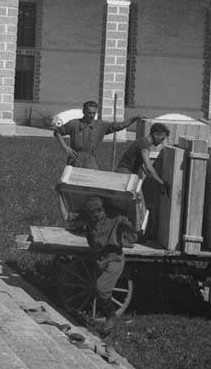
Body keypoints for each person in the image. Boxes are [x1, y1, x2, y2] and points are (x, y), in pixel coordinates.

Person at [79, 195, 138, 344]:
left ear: (101, 210)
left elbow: (134, 230)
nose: (93, 217)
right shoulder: (91, 222)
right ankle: (108, 320)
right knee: (99, 288)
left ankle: (111, 317)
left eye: (94, 213)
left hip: (115, 258)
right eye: (90, 214)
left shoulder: (116, 218)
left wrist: (130, 229)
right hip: (100, 258)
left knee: (101, 288)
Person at [54, 100, 146, 170]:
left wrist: (134, 118)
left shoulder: (101, 125)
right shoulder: (74, 124)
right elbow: (57, 132)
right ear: (84, 111)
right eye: (89, 113)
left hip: (91, 159)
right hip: (75, 159)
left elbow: (120, 126)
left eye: (94, 113)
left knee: (91, 185)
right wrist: (66, 148)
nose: (92, 115)